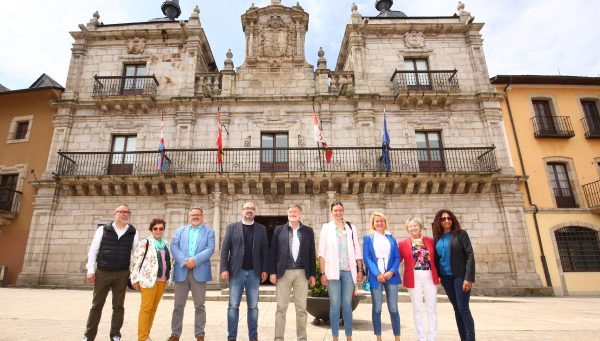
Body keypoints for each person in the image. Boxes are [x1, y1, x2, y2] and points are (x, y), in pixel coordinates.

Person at [82, 205, 139, 341]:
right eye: (122, 212)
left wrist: (134, 274)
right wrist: (90, 270)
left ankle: (115, 335)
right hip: (103, 271)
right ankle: (88, 336)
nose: (125, 214)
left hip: (122, 273)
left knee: (118, 306)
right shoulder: (103, 229)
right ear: (115, 214)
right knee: (96, 305)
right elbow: (93, 250)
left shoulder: (133, 231)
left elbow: (135, 254)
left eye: (127, 212)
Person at [220, 201, 269, 341]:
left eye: (252, 208)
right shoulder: (232, 228)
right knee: (233, 306)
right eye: (247, 208)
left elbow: (265, 251)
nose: (249, 210)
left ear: (255, 212)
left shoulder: (261, 229)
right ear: (242, 211)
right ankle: (231, 337)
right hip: (236, 273)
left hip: (254, 273)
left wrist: (265, 269)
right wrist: (224, 268)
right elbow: (225, 250)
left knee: (253, 306)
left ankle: (253, 337)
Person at [269, 204, 317, 341]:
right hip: (283, 273)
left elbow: (311, 253)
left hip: (302, 273)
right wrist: (272, 272)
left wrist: (312, 274)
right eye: (290, 211)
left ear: (300, 214)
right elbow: (273, 252)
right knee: (281, 308)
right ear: (287, 214)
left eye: (295, 211)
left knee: (301, 309)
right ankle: (278, 338)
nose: (292, 213)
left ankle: (302, 338)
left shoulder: (308, 231)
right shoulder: (279, 230)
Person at [318, 201, 364, 341]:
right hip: (332, 272)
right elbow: (322, 252)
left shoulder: (351, 227)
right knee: (334, 304)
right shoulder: (326, 228)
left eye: (340, 210)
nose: (338, 213)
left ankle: (349, 337)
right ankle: (335, 337)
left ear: (343, 211)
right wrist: (322, 273)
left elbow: (357, 249)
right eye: (335, 210)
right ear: (331, 212)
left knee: (347, 305)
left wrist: (360, 269)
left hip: (348, 272)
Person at [168, 207, 215, 341]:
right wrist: (184, 261)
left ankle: (200, 334)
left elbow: (210, 249)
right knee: (178, 306)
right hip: (181, 271)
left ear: (202, 216)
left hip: (199, 272)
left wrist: (195, 260)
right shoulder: (180, 231)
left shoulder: (209, 232)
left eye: (198, 215)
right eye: (193, 215)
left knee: (199, 305)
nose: (195, 217)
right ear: (189, 217)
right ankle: (175, 334)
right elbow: (174, 246)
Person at [433, 209, 476, 341]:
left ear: (453, 220)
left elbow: (469, 255)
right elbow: (436, 258)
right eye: (443, 219)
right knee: (456, 309)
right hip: (446, 278)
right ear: (438, 222)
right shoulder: (437, 238)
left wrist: (468, 278)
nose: (446, 221)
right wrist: (438, 275)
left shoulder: (461, 234)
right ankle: (463, 338)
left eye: (449, 218)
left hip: (460, 276)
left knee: (463, 308)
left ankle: (471, 339)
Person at [129, 218, 171, 341]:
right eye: (155, 228)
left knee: (153, 309)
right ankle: (142, 338)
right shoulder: (145, 243)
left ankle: (146, 335)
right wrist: (135, 280)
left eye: (161, 228)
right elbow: (135, 262)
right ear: (151, 229)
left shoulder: (166, 244)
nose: (158, 231)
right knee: (146, 309)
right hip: (148, 280)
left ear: (164, 230)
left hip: (162, 281)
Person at [398, 217, 439, 341]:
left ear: (420, 227)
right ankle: (421, 338)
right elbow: (397, 260)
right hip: (413, 278)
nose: (413, 228)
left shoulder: (430, 241)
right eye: (410, 226)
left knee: (432, 308)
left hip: (430, 277)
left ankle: (432, 337)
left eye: (415, 225)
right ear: (407, 229)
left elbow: (437, 259)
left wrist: (440, 275)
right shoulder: (403, 244)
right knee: (417, 309)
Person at [362, 211, 401, 341]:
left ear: (385, 223)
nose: (379, 223)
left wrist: (391, 271)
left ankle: (397, 337)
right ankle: (378, 337)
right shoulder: (368, 238)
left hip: (391, 276)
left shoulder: (391, 238)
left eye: (381, 221)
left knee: (394, 308)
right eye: (377, 221)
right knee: (377, 307)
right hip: (375, 276)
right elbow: (367, 258)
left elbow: (397, 257)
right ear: (373, 223)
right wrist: (377, 273)